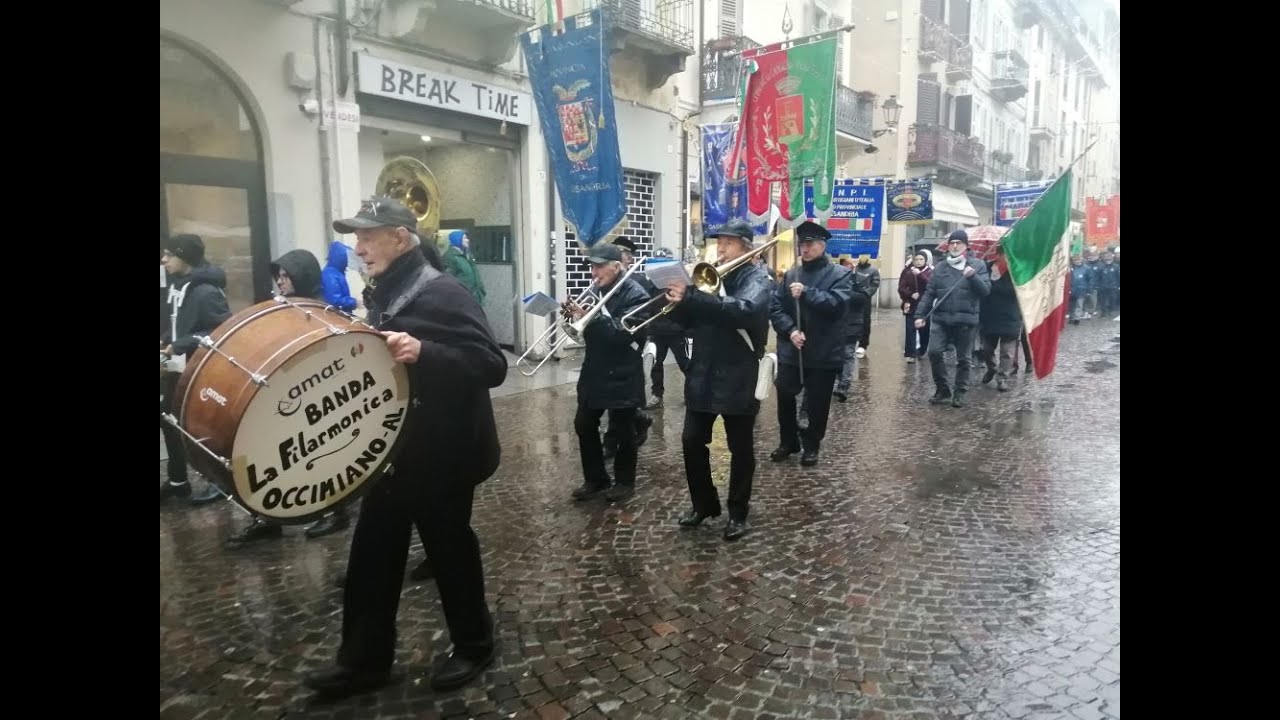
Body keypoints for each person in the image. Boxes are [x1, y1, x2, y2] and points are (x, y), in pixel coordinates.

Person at [304, 196, 506, 698]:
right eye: (357, 237)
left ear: (400, 237)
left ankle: (476, 645)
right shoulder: (385, 289)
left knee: (449, 551)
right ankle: (365, 662)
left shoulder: (443, 293)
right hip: (394, 452)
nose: (360, 247)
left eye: (368, 237)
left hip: (444, 454)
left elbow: (490, 364)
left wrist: (425, 352)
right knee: (372, 556)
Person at [225, 249, 352, 547]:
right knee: (270, 459)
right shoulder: (283, 307)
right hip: (283, 396)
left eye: (286, 276)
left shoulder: (322, 309)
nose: (281, 282)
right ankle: (268, 518)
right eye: (278, 276)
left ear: (302, 276)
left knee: (327, 455)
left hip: (317, 398)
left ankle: (337, 512)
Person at [663, 219, 773, 541]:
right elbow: (690, 321)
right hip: (703, 372)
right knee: (691, 441)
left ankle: (738, 512)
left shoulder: (758, 278)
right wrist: (676, 302)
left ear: (747, 248)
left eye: (728, 242)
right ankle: (703, 504)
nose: (720, 248)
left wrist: (694, 298)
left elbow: (744, 310)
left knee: (741, 448)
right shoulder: (708, 276)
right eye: (719, 242)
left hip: (739, 374)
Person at [567, 242, 653, 504]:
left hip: (623, 369)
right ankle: (596, 478)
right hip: (595, 368)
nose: (594, 272)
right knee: (583, 423)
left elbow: (621, 334)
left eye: (599, 266)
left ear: (617, 267)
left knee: (623, 428)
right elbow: (592, 332)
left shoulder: (635, 294)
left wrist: (590, 318)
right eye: (592, 266)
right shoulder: (596, 290)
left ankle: (624, 482)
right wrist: (575, 318)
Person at [769, 221, 854, 467]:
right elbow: (776, 307)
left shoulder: (841, 274)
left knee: (818, 403)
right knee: (785, 394)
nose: (803, 249)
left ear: (822, 245)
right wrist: (791, 330)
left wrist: (807, 293)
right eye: (801, 244)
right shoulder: (791, 274)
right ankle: (788, 441)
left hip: (823, 350)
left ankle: (811, 444)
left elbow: (837, 305)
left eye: (809, 244)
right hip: (791, 349)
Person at [160, 234, 231, 506]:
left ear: (184, 256)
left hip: (200, 370)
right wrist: (168, 338)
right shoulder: (182, 285)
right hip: (180, 369)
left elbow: (219, 330)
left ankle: (220, 483)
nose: (164, 259)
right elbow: (183, 322)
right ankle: (178, 480)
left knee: (202, 429)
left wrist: (179, 344)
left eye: (169, 254)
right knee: (168, 420)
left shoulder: (206, 291)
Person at [913, 230, 991, 408]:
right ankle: (943, 390)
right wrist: (920, 315)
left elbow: (985, 291)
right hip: (940, 319)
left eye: (959, 243)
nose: (955, 246)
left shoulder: (977, 265)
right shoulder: (940, 267)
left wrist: (974, 277)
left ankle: (960, 392)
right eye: (952, 243)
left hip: (966, 320)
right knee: (934, 352)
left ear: (966, 245)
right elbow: (930, 293)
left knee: (964, 359)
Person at [978, 249, 1024, 392]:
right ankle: (992, 368)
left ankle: (1002, 378)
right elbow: (981, 287)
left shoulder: (1017, 271)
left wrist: (993, 284)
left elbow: (1014, 291)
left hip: (1010, 316)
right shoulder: (985, 267)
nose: (1003, 257)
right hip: (989, 315)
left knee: (1007, 352)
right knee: (985, 349)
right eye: (1000, 254)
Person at [898, 250, 933, 362]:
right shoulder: (908, 272)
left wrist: (920, 275)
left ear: (925, 261)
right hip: (911, 304)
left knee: (924, 330)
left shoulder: (930, 272)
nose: (918, 262)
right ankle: (911, 354)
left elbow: (931, 285)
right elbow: (901, 287)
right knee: (910, 329)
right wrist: (910, 294)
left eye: (921, 259)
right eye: (916, 259)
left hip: (925, 305)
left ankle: (922, 350)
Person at [443, 230, 487, 306]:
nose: (468, 240)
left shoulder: (467, 255)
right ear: (457, 240)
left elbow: (474, 273)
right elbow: (448, 280)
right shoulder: (450, 257)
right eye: (464, 238)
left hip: (475, 296)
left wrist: (481, 290)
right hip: (461, 299)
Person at [851, 254, 880, 357]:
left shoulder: (873, 270)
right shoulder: (853, 268)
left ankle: (863, 343)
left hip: (865, 298)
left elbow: (875, 284)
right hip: (852, 297)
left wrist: (866, 294)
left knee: (865, 320)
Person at [321, 241, 359, 313]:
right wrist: (354, 302)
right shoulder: (330, 275)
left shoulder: (336, 272)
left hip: (339, 316)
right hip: (335, 317)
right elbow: (334, 300)